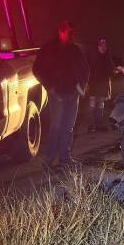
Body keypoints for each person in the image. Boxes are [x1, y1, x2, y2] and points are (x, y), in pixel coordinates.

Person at [33, 21, 89, 168]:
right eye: (69, 32)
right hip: (56, 94)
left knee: (68, 127)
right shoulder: (49, 49)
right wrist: (49, 87)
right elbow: (37, 69)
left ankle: (64, 159)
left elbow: (85, 69)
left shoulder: (74, 49)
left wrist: (81, 87)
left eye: (72, 32)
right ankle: (49, 159)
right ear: (61, 31)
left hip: (72, 94)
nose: (71, 35)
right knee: (56, 127)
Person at [86, 37, 115, 132]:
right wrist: (87, 84)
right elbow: (87, 70)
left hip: (103, 86)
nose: (104, 47)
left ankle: (99, 125)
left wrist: (115, 70)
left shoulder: (107, 57)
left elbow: (111, 70)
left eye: (105, 45)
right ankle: (91, 125)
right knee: (92, 106)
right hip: (93, 86)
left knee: (100, 106)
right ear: (97, 46)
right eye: (101, 45)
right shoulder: (92, 57)